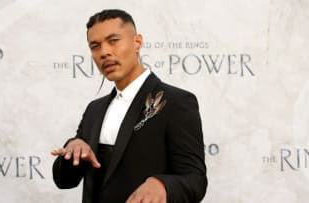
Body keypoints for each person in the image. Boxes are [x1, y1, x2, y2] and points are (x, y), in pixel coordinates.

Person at [51, 9, 207, 203]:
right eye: (95, 46)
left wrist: (161, 184)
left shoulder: (177, 102)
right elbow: (64, 181)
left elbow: (195, 180)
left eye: (113, 40)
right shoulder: (94, 109)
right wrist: (73, 148)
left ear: (137, 42)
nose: (104, 52)